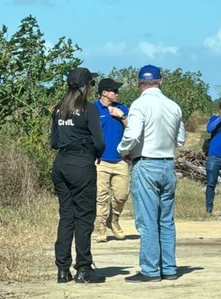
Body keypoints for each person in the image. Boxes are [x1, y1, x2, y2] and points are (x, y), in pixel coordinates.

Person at [117, 64, 185, 282]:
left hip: (146, 163)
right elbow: (181, 139)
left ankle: (150, 269)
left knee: (147, 221)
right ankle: (169, 267)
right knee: (166, 220)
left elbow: (133, 134)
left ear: (138, 83)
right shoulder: (173, 106)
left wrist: (122, 150)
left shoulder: (139, 105)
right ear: (160, 82)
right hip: (167, 164)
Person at [50, 67, 106, 284]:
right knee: (84, 217)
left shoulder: (58, 109)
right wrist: (95, 153)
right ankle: (83, 268)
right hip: (81, 164)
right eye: (91, 84)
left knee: (66, 216)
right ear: (85, 86)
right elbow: (100, 142)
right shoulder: (88, 109)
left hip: (61, 164)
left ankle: (62, 270)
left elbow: (54, 142)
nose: (91, 88)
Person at [94, 78, 130, 243]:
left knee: (121, 195)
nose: (117, 93)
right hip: (100, 160)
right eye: (114, 91)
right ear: (104, 93)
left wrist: (121, 116)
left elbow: (133, 129)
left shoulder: (122, 108)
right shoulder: (93, 109)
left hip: (120, 160)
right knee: (101, 197)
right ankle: (100, 226)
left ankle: (113, 220)